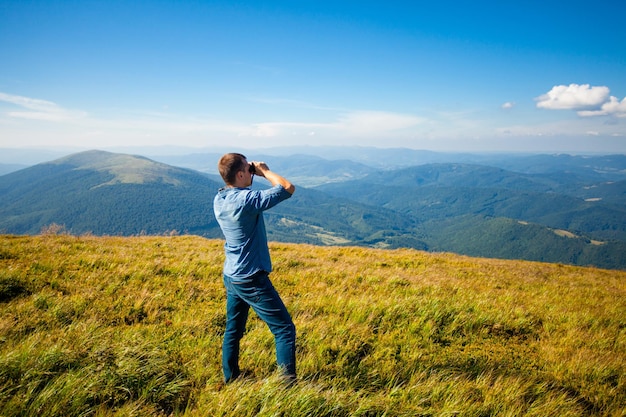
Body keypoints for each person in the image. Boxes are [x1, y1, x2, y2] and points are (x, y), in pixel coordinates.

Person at [213, 153, 297, 384]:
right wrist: (265, 171)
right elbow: (287, 188)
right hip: (251, 277)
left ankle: (231, 378)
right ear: (240, 174)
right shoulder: (246, 200)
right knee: (284, 330)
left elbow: (240, 191)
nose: (251, 172)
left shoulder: (220, 198)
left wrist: (251, 173)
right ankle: (287, 388)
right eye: (247, 170)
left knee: (233, 330)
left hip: (232, 275)